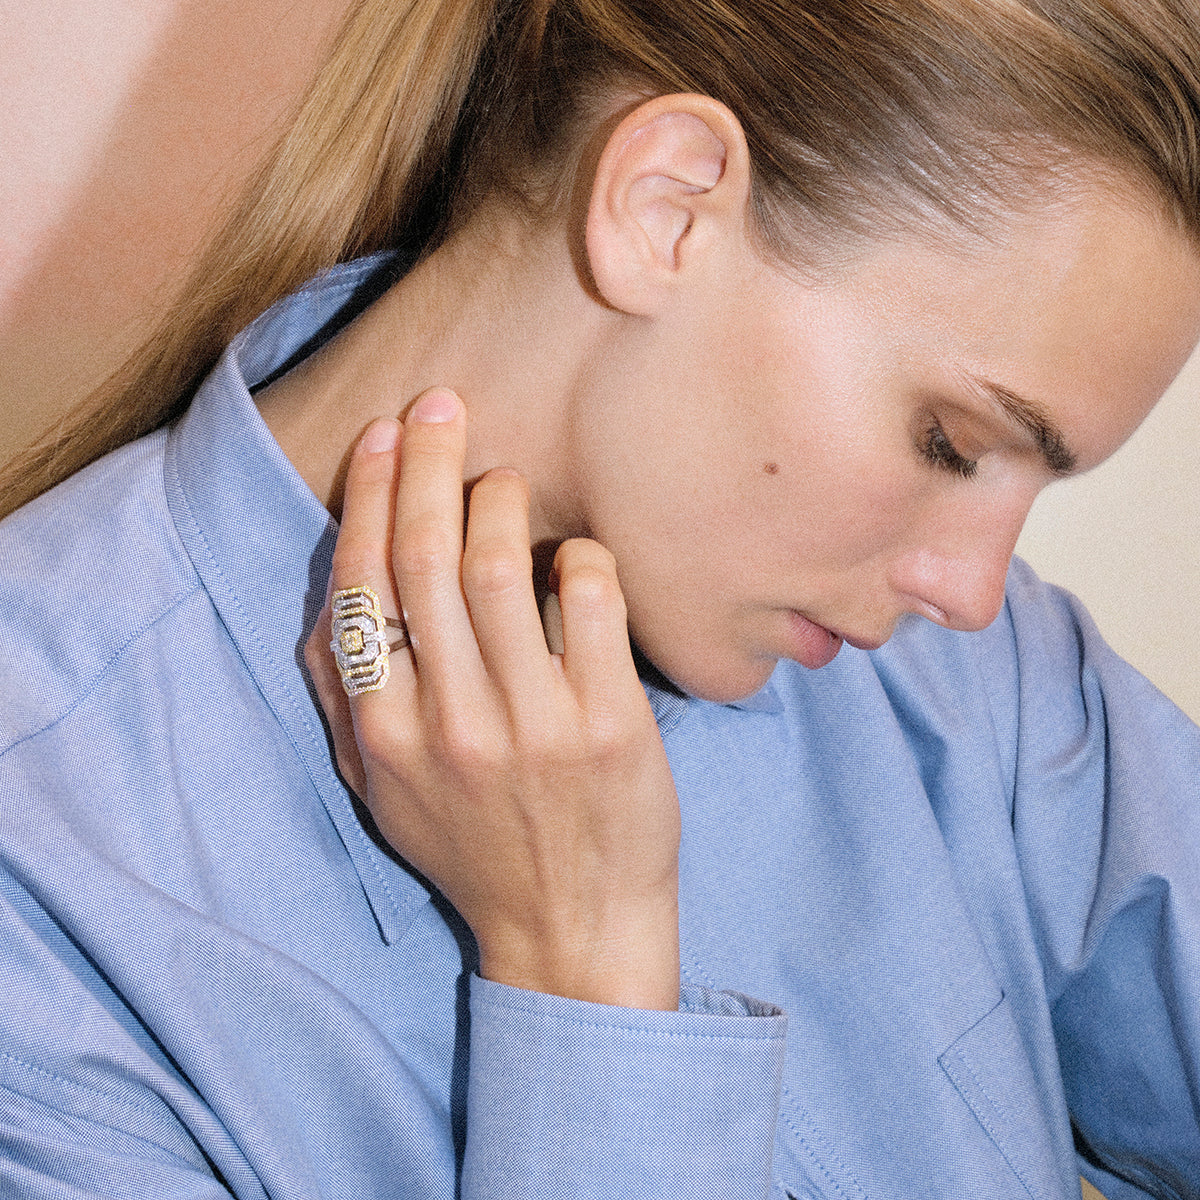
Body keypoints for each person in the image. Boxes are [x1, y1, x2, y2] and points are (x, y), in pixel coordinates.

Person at [2, 0, 1199, 1196]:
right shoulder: (41, 881)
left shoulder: (949, 683)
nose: (975, 591)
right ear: (666, 208)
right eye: (948, 442)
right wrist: (584, 973)